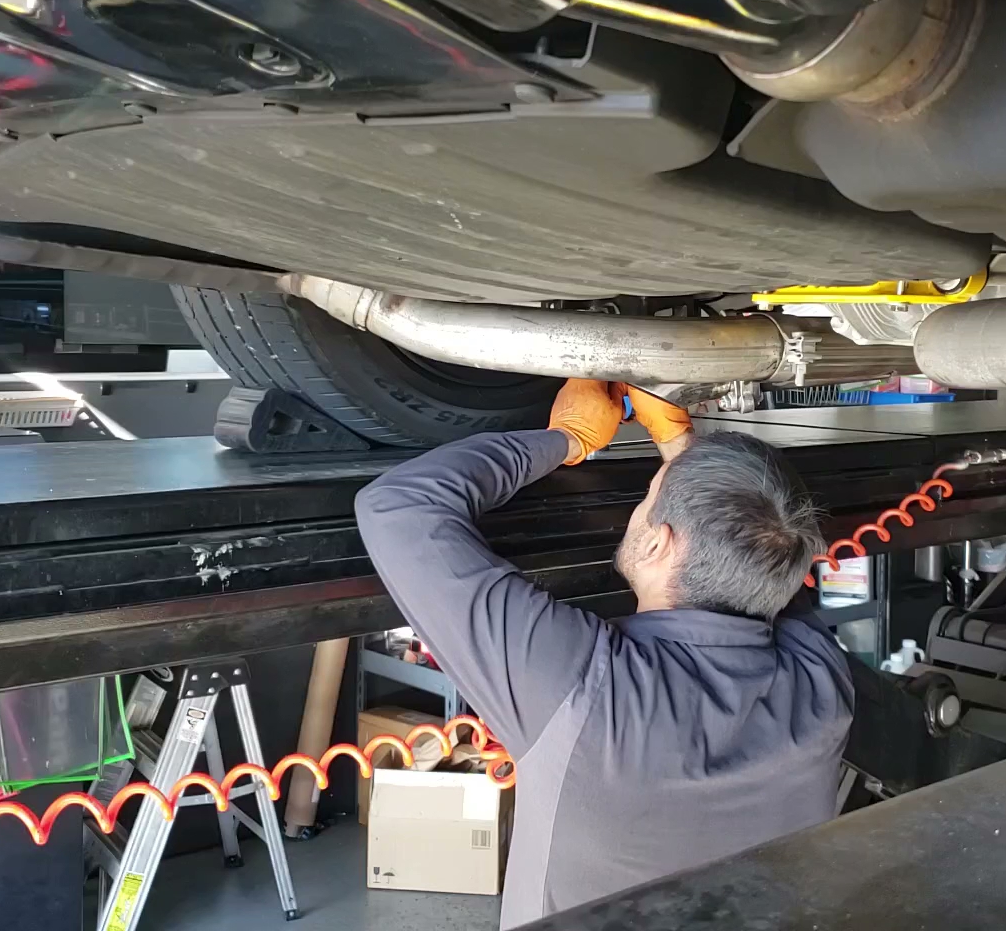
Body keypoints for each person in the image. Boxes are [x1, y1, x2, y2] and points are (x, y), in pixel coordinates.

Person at [354, 378, 853, 928]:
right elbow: (769, 552)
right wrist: (683, 456)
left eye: (645, 501)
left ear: (658, 543)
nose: (638, 511)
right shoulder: (823, 685)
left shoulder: (584, 689)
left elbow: (399, 506)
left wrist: (567, 439)